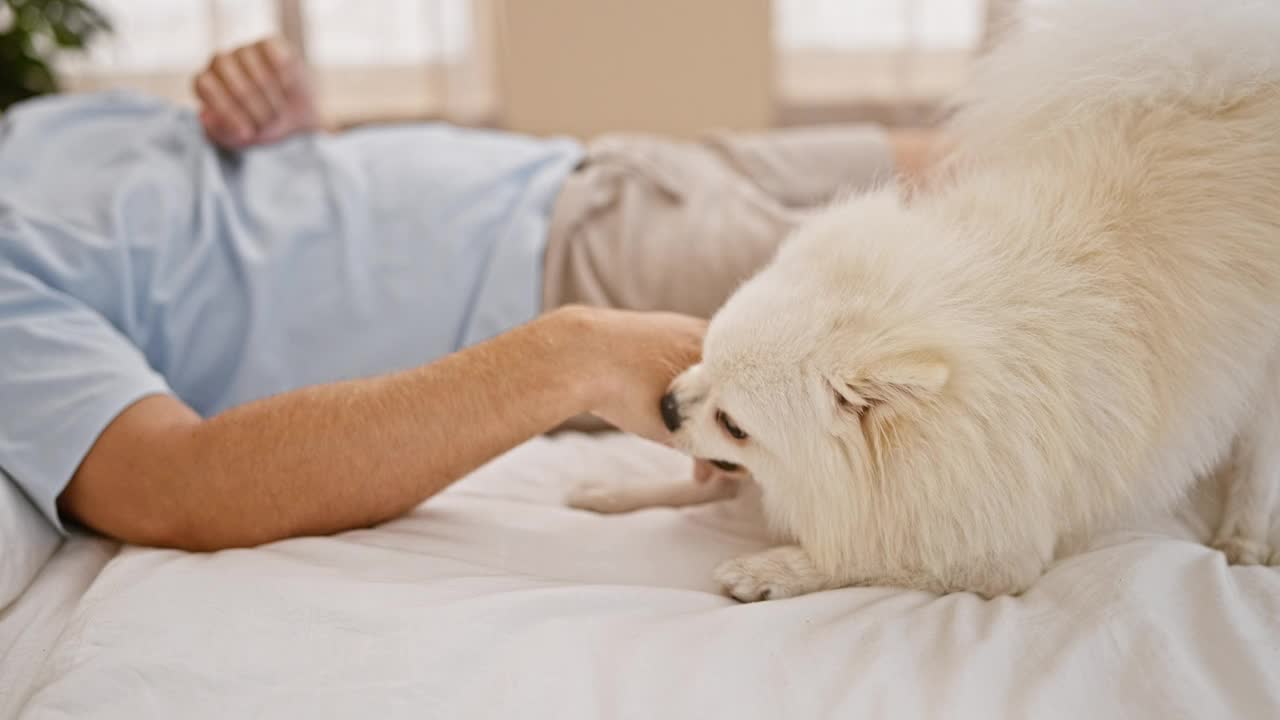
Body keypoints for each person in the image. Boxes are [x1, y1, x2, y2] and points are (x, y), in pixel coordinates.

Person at [0, 37, 933, 551]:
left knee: (1030, 160)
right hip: (581, 265)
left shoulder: (37, 123)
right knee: (1025, 250)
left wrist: (297, 127)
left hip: (607, 165)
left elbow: (260, 244)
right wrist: (572, 353)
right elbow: (176, 485)